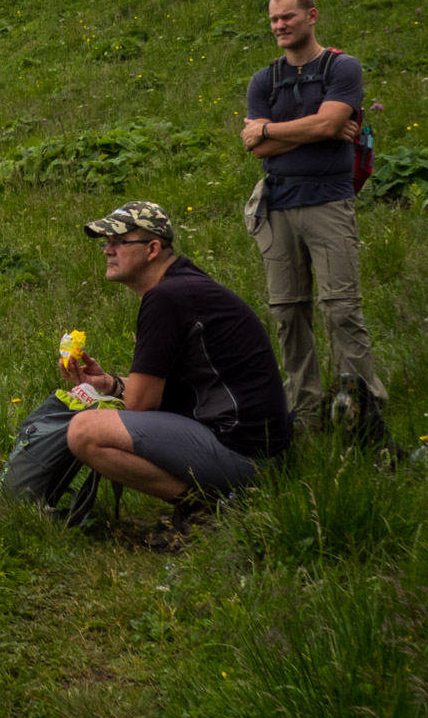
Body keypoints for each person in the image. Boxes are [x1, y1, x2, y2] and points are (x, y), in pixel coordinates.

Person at [61, 201, 293, 534]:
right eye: (106, 243)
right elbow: (165, 393)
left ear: (152, 248)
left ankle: (209, 509)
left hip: (247, 457)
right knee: (97, 418)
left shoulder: (166, 298)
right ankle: (212, 501)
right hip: (260, 449)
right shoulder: (182, 284)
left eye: (118, 242)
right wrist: (108, 384)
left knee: (85, 432)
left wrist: (115, 397)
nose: (107, 251)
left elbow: (141, 405)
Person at [239, 0, 389, 433]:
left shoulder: (342, 67)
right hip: (279, 204)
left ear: (312, 16)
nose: (280, 26)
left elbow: (326, 124)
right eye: (273, 20)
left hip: (329, 200)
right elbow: (254, 144)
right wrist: (317, 128)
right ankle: (304, 409)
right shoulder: (264, 79)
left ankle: (364, 406)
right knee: (287, 312)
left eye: (288, 17)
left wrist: (271, 130)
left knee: (340, 308)